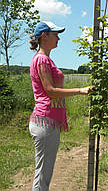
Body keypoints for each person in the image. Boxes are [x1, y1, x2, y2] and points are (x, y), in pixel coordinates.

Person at [29, 21, 90, 191]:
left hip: (47, 121)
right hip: (44, 121)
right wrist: (80, 90)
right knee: (42, 175)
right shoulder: (42, 60)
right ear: (44, 36)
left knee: (44, 174)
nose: (58, 38)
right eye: (55, 34)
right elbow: (51, 91)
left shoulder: (45, 59)